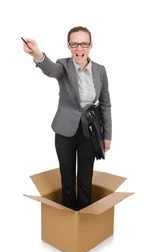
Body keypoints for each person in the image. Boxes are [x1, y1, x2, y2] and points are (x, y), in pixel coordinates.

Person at [22, 26, 112, 211]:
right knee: (68, 180)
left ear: (90, 46)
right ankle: (68, 220)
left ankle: (84, 220)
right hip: (65, 131)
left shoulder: (100, 71)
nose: (79, 48)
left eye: (84, 44)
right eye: (75, 44)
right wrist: (38, 54)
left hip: (91, 132)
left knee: (85, 179)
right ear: (69, 46)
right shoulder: (63, 66)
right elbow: (51, 70)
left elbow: (105, 104)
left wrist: (107, 135)